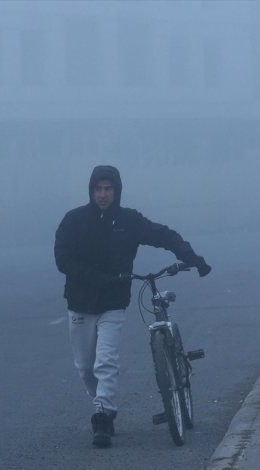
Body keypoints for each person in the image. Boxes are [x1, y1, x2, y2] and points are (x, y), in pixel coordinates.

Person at [54, 164, 211, 448]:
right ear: (91, 191)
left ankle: (103, 415)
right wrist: (96, 278)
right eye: (98, 189)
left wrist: (192, 257)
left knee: (106, 362)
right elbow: (62, 258)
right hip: (80, 303)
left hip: (114, 303)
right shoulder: (74, 220)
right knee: (85, 368)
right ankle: (104, 403)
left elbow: (163, 235)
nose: (103, 194)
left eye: (108, 189)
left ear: (117, 191)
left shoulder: (129, 221)